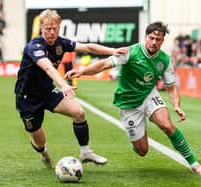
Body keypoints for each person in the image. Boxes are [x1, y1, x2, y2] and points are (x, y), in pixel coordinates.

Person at [65, 21, 201, 174]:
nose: (154, 42)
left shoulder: (165, 60)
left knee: (167, 126)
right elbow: (104, 65)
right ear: (145, 37)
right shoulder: (130, 52)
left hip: (149, 95)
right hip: (128, 103)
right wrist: (82, 72)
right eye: (151, 38)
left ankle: (194, 164)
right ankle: (137, 137)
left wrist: (177, 106)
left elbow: (171, 87)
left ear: (162, 41)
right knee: (142, 151)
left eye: (158, 39)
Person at [14, 9, 127, 168]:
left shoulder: (61, 43)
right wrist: (64, 84)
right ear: (41, 28)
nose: (51, 32)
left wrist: (112, 51)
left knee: (79, 113)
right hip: (27, 98)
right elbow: (48, 68)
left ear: (59, 27)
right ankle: (43, 152)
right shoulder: (34, 46)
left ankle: (86, 152)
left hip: (47, 91)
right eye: (47, 28)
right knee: (39, 142)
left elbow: (88, 47)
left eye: (55, 28)